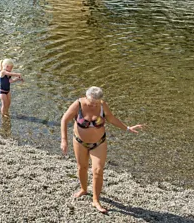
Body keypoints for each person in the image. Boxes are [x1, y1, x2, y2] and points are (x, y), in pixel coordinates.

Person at [60, 86, 144, 214]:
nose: (93, 104)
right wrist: (64, 140)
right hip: (80, 142)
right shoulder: (78, 104)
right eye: (91, 101)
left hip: (99, 143)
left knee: (98, 170)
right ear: (86, 96)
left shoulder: (102, 105)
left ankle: (96, 200)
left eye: (96, 102)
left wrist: (127, 128)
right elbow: (64, 120)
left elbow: (111, 119)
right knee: (82, 167)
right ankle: (83, 189)